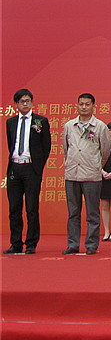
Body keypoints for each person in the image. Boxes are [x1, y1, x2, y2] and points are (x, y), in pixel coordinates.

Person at [61, 93, 111, 255]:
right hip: (72, 174)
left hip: (91, 175)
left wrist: (96, 165)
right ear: (77, 105)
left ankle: (91, 244)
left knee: (92, 213)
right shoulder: (69, 125)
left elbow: (105, 152)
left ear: (93, 106)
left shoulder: (100, 126)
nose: (84, 107)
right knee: (73, 212)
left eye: (87, 104)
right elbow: (66, 149)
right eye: (81, 104)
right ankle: (72, 244)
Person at [4, 89, 51, 255]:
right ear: (16, 104)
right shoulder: (10, 122)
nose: (25, 104)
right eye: (22, 101)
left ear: (32, 102)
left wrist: (38, 167)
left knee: (32, 208)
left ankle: (31, 243)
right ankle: (16, 243)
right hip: (15, 167)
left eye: (28, 101)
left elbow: (46, 146)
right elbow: (11, 143)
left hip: (31, 168)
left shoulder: (40, 121)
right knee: (14, 208)